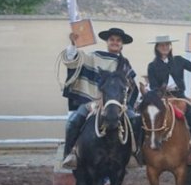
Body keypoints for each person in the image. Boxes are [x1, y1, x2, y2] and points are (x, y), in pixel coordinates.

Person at [60, 27, 141, 169]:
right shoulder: (94, 57)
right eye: (112, 40)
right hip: (92, 102)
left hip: (117, 105)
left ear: (122, 44)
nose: (115, 42)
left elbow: (131, 87)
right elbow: (74, 61)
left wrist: (126, 103)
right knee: (73, 122)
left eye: (118, 40)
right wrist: (73, 44)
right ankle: (70, 153)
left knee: (135, 120)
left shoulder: (124, 63)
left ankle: (134, 153)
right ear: (107, 42)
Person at [146, 35, 191, 164]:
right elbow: (152, 86)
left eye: (167, 45)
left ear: (170, 46)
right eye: (162, 45)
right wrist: (161, 90)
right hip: (162, 97)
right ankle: (145, 148)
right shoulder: (152, 66)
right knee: (148, 115)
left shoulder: (179, 60)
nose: (165, 47)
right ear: (157, 48)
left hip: (179, 96)